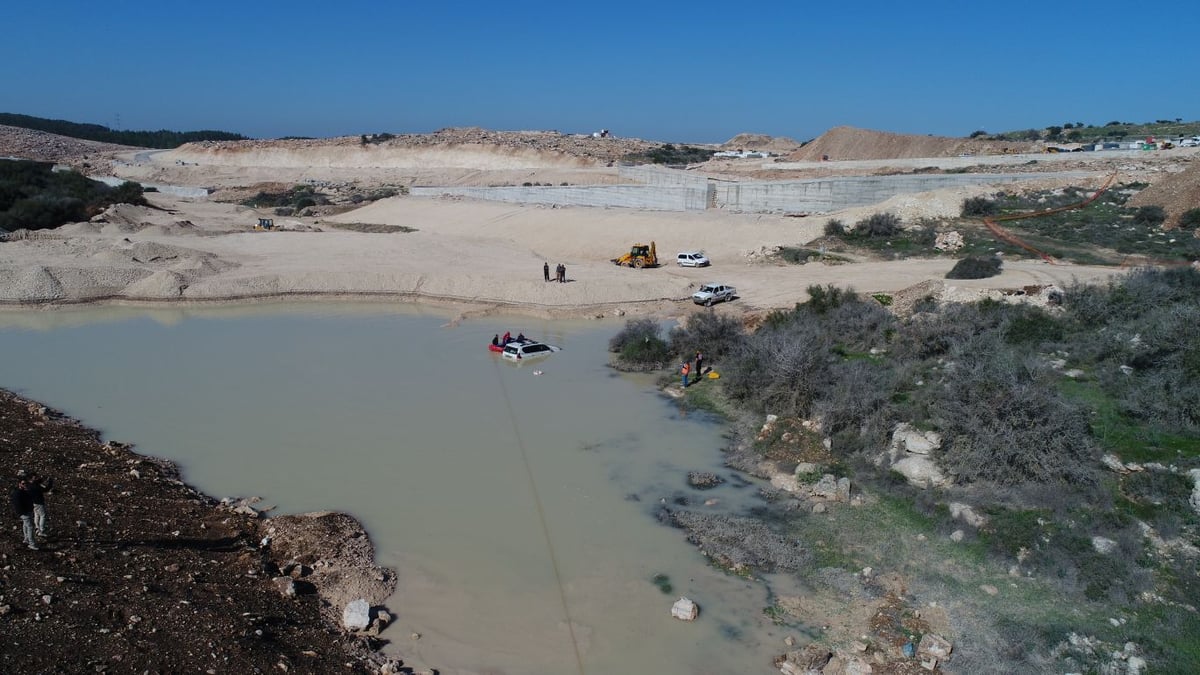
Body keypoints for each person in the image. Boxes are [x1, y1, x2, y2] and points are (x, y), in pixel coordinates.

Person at [10, 475, 37, 550]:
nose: (25, 485)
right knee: (30, 527)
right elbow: (17, 504)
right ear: (19, 484)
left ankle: (26, 539)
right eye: (23, 483)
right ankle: (32, 544)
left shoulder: (24, 491)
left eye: (26, 483)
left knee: (26, 525)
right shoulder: (17, 493)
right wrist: (23, 512)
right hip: (24, 512)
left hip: (28, 511)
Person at [26, 472, 53, 539]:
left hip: (33, 503)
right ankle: (41, 530)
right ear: (32, 478)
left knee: (37, 515)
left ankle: (37, 528)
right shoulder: (35, 486)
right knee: (43, 515)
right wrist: (50, 482)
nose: (36, 478)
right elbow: (46, 489)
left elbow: (38, 482)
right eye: (35, 477)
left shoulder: (29, 485)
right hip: (39, 502)